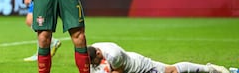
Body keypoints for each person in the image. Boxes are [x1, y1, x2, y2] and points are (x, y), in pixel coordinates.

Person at [88, 42, 230, 73]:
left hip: (138, 67)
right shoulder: (92, 49)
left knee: (171, 71)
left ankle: (211, 69)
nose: (93, 64)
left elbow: (118, 72)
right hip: (127, 66)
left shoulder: (114, 55)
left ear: (99, 54)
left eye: (94, 62)